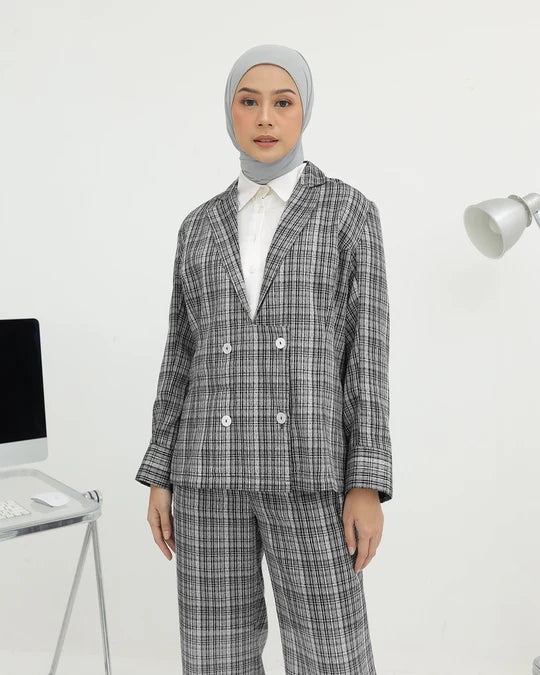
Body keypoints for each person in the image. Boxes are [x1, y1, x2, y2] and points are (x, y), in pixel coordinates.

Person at [135, 43, 393, 675]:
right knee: (215, 660)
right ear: (230, 112)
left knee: (332, 657)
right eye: (248, 102)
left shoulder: (348, 213)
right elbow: (180, 355)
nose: (265, 118)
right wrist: (162, 472)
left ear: (305, 110)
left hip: (309, 469)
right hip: (207, 474)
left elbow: (368, 356)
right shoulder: (198, 226)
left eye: (283, 102)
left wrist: (366, 481)